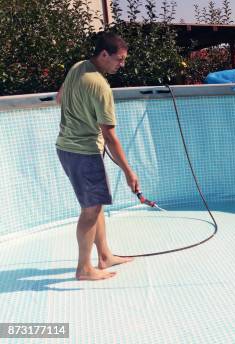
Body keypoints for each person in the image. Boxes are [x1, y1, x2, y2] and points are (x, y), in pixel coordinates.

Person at [56, 32, 137, 280]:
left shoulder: (78, 67)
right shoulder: (101, 86)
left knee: (95, 203)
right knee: (90, 210)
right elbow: (110, 137)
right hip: (84, 153)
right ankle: (84, 269)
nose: (122, 65)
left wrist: (79, 116)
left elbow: (60, 98)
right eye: (119, 59)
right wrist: (128, 172)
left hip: (66, 147)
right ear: (104, 54)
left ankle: (104, 256)